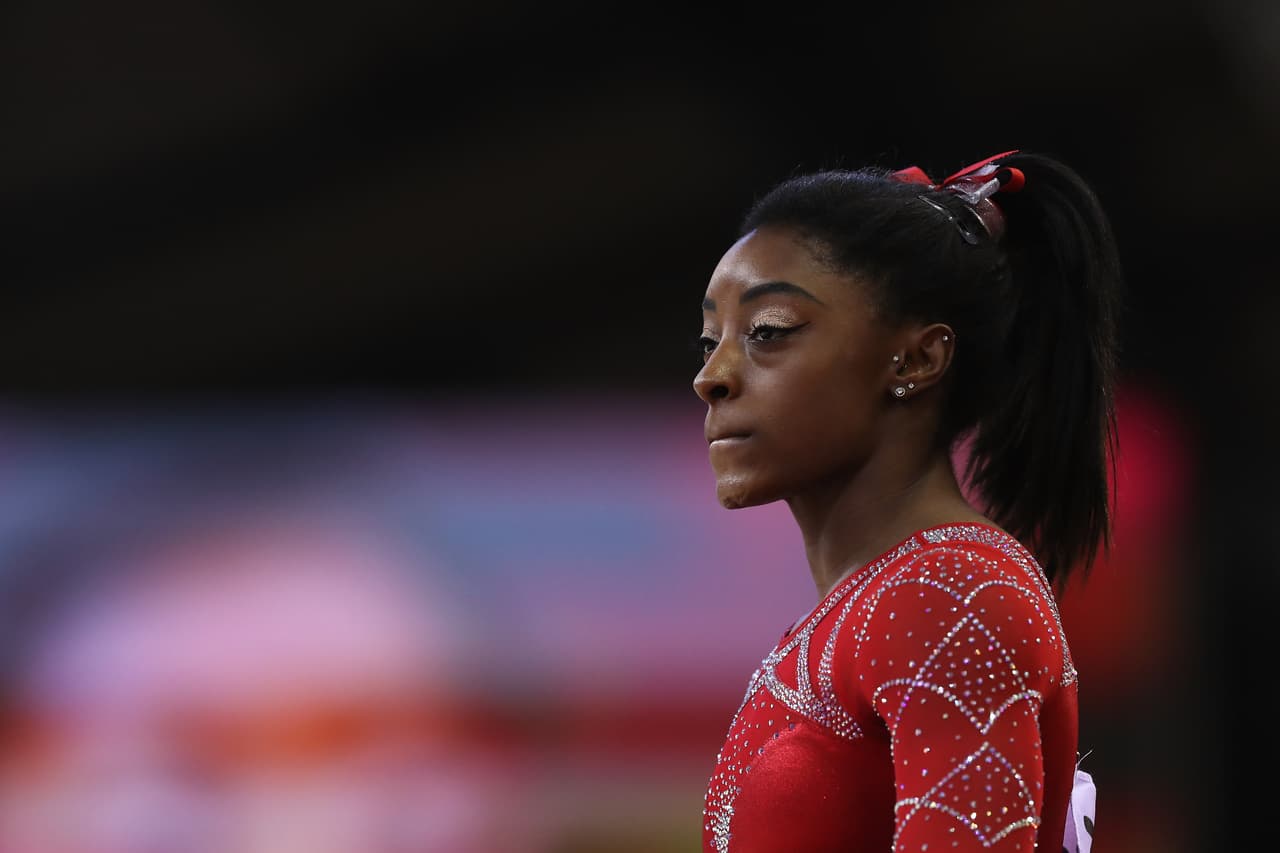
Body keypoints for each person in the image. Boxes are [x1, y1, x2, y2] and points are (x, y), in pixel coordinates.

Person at [693, 149, 1121, 852]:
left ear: (918, 359)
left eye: (766, 331)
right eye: (711, 342)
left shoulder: (946, 591)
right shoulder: (876, 600)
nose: (712, 377)